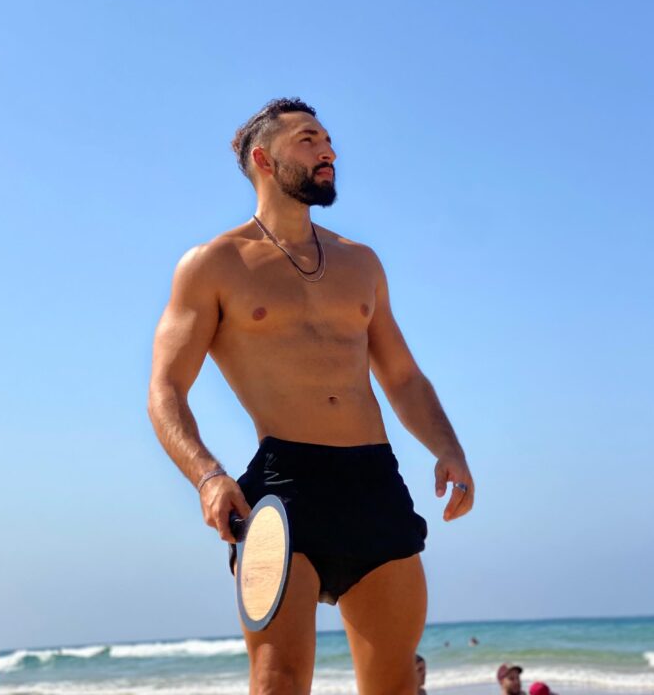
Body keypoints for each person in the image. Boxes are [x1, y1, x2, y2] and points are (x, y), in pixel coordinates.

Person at [148, 97, 474, 695]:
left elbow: (403, 377)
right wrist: (208, 477)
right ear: (263, 159)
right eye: (307, 140)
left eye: (327, 140)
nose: (328, 151)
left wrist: (448, 448)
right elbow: (165, 389)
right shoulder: (214, 264)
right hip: (284, 489)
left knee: (395, 684)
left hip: (374, 484)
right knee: (278, 680)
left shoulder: (360, 263)